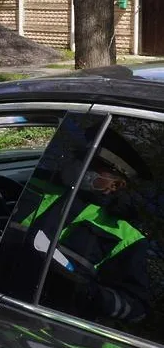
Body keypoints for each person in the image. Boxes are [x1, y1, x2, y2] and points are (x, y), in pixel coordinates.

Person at [21, 136, 151, 325]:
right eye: (82, 157)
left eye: (95, 164)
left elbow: (137, 308)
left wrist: (88, 293)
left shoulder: (125, 235)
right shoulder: (34, 181)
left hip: (45, 324)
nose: (81, 164)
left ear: (115, 184)